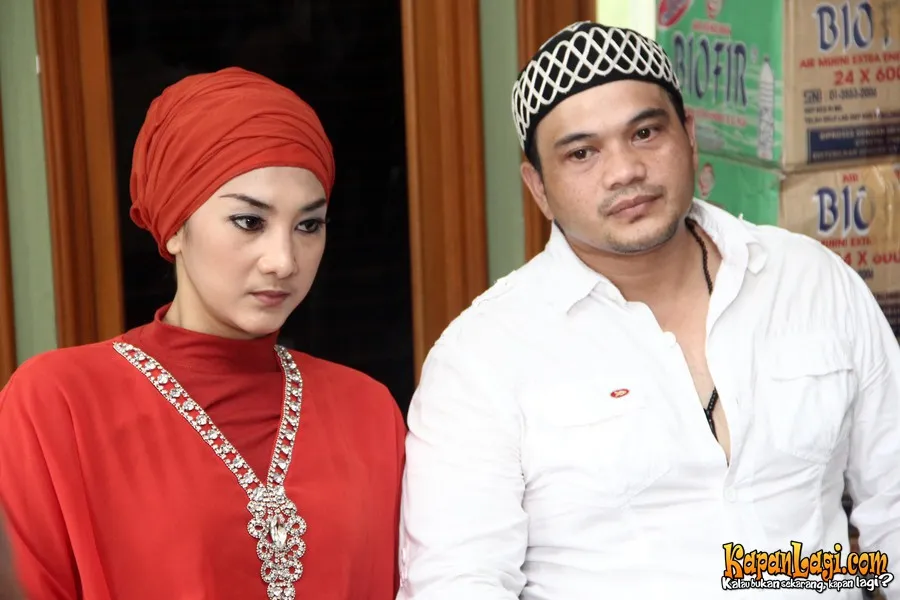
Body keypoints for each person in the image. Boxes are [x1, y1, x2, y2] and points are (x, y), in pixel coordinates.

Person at [397, 21, 900, 599]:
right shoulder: (482, 358)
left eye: (644, 133)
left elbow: (893, 504)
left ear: (689, 135)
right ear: (538, 187)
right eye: (582, 153)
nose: (624, 171)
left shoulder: (809, 281)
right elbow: (458, 583)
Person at [0, 67, 406, 600]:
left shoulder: (368, 412)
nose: (283, 261)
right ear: (175, 226)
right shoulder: (60, 403)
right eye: (249, 222)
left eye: (308, 225)